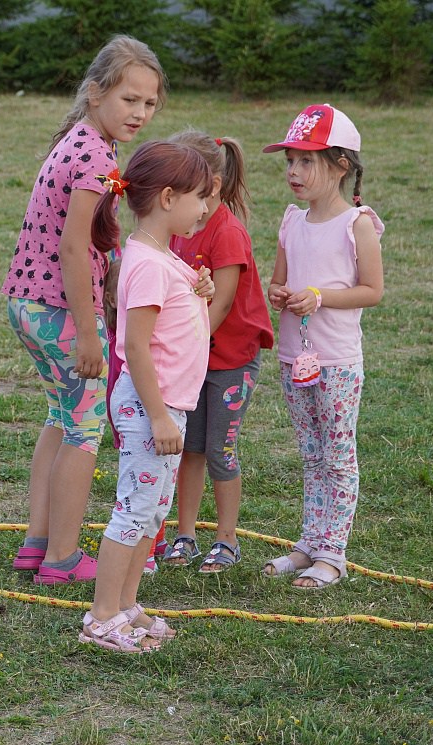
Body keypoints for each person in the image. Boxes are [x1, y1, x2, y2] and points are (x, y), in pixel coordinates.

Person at [3, 35, 168, 585]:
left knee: (61, 416)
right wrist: (89, 334)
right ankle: (62, 559)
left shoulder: (82, 140)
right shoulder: (95, 155)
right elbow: (73, 248)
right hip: (61, 310)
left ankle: (38, 543)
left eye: (149, 103)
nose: (140, 112)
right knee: (84, 430)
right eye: (129, 99)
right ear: (96, 93)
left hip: (28, 302)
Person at [80, 140, 215, 652]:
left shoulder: (162, 256)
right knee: (133, 512)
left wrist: (198, 290)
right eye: (199, 197)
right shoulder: (148, 264)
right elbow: (135, 345)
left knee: (152, 513)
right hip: (150, 408)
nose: (205, 208)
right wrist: (158, 417)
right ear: (167, 198)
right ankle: (101, 618)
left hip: (166, 407)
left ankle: (127, 604)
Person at [261, 103, 384, 590]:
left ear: (340, 166)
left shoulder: (357, 224)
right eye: (290, 160)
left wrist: (320, 296)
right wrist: (279, 294)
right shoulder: (291, 221)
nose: (294, 171)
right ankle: (309, 543)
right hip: (294, 359)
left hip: (337, 364)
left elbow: (372, 291)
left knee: (337, 457)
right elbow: (279, 281)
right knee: (311, 455)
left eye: (306, 161)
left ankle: (333, 553)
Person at [161, 130, 274, 573]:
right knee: (189, 448)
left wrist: (184, 350)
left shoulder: (227, 233)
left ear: (210, 184)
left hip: (230, 362)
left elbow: (222, 304)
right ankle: (185, 535)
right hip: (194, 358)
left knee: (219, 451)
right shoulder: (179, 226)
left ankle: (227, 541)